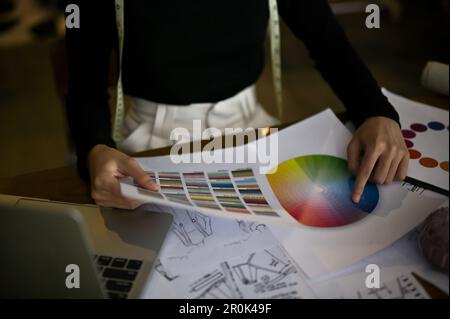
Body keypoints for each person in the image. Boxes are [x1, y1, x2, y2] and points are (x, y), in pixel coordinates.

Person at [65, 0, 409, 210]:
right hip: (151, 145)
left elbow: (328, 42)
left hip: (250, 130)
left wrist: (375, 109)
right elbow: (84, 83)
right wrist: (94, 150)